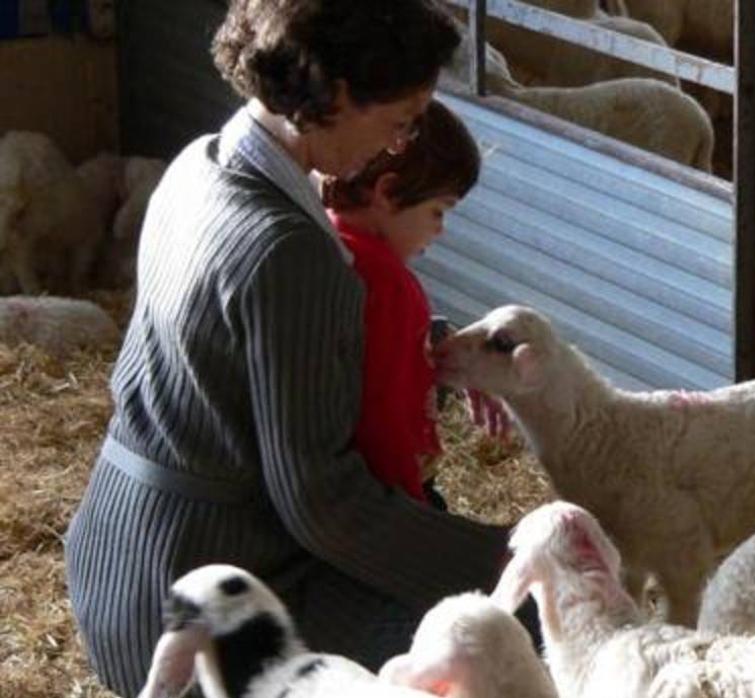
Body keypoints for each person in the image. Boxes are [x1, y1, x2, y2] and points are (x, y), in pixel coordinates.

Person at [63, 2, 515, 695]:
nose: (400, 145)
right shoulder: (290, 249)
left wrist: (432, 355)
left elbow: (250, 353)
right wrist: (505, 556)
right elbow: (322, 504)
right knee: (504, 640)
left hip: (118, 558)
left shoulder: (198, 165)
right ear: (335, 96)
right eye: (398, 121)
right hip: (211, 601)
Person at [320, 99, 481, 509]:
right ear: (388, 193)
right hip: (392, 496)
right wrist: (414, 511)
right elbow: (384, 415)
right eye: (438, 211)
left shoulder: (323, 241)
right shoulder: (389, 283)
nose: (440, 230)